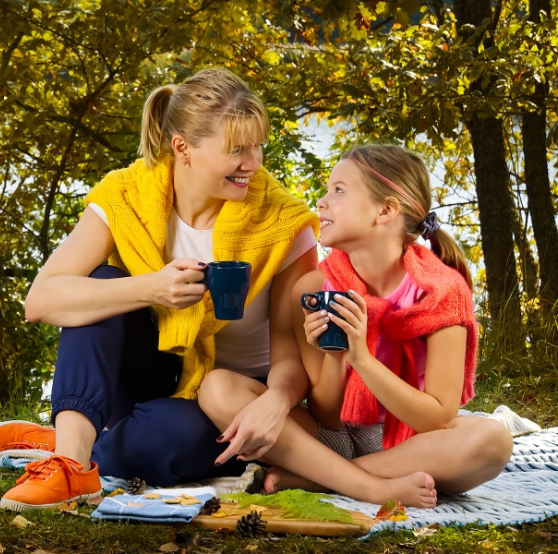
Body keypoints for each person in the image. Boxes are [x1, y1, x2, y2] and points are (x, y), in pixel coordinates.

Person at [0, 68, 320, 511]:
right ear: (183, 148)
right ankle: (69, 464)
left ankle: (67, 445)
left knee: (168, 442)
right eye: (237, 149)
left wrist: (276, 401)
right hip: (150, 374)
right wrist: (152, 288)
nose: (253, 163)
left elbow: (292, 351)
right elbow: (41, 301)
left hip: (230, 394)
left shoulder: (283, 222)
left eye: (258, 145)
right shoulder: (126, 197)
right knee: (101, 284)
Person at [198, 144, 513, 508]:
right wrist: (333, 355)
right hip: (331, 437)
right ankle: (367, 485)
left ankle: (318, 479)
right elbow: (328, 417)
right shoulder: (314, 288)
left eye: (339, 190)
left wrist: (362, 359)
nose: (322, 201)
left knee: (493, 441)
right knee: (218, 388)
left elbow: (437, 417)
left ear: (386, 210)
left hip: (407, 441)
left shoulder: (442, 292)